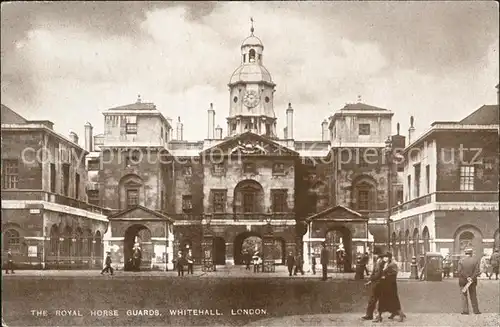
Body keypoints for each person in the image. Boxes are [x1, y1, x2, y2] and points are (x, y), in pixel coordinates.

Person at [373, 252, 406, 323]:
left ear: (389, 257)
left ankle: (400, 315)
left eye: (386, 257)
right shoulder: (384, 264)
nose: (385, 258)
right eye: (384, 257)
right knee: (382, 301)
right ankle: (379, 316)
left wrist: (386, 277)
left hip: (391, 286)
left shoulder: (392, 264)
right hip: (384, 286)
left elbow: (394, 274)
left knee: (394, 301)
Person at [458, 248, 481, 315]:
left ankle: (465, 311)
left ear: (465, 253)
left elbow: (460, 271)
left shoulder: (461, 260)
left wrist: (467, 277)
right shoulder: (475, 260)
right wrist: (471, 278)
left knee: (464, 296)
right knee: (473, 295)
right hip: (472, 281)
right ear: (471, 253)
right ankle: (476, 310)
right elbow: (477, 271)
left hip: (463, 281)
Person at [361, 254, 383, 321]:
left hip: (378, 284)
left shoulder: (380, 263)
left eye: (375, 254)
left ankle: (373, 316)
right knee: (372, 300)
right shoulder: (377, 263)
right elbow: (374, 273)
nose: (373, 256)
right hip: (375, 284)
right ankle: (370, 315)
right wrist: (370, 281)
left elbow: (378, 275)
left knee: (375, 300)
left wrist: (372, 279)